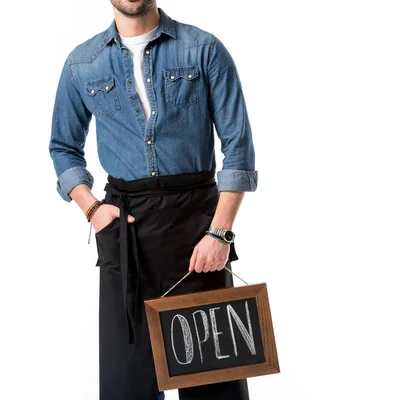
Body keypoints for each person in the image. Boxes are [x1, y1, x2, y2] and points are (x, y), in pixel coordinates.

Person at [48, 1, 257, 399]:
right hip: (124, 235)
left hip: (198, 233)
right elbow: (62, 147)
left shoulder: (204, 49)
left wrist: (220, 232)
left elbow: (239, 147)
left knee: (214, 385)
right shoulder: (82, 63)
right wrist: (92, 210)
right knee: (126, 386)